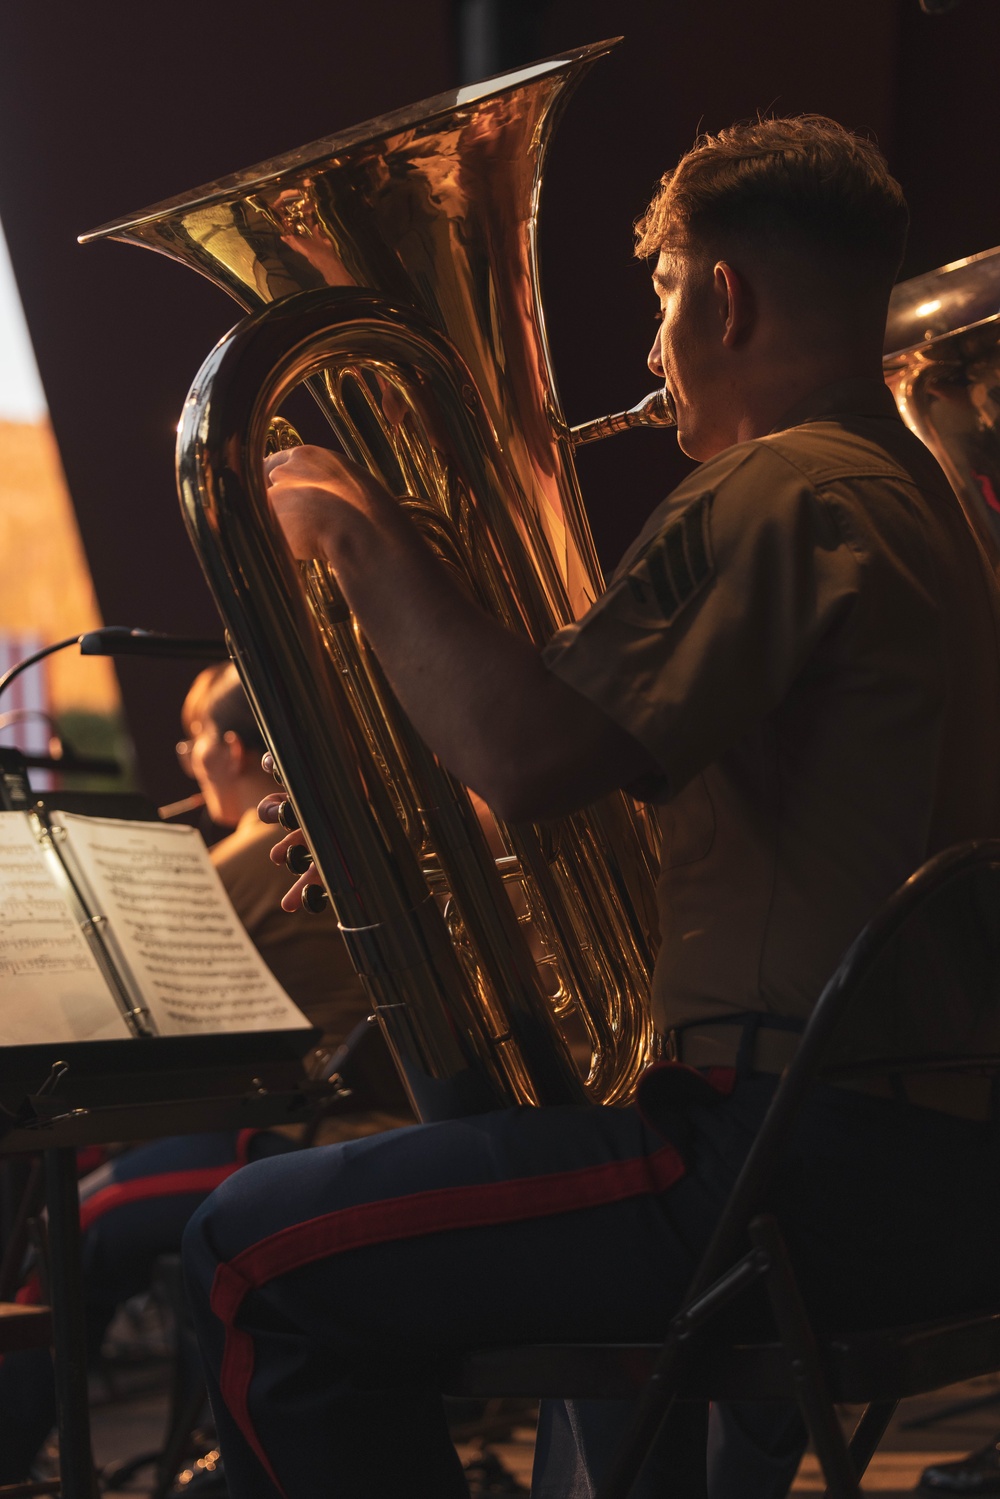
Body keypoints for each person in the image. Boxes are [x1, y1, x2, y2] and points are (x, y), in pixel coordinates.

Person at [182, 115, 1000, 1499]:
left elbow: (527, 752)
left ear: (723, 294)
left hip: (782, 1172)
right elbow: (758, 824)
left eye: (663, 299)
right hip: (930, 1167)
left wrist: (357, 529)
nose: (651, 351)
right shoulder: (913, 503)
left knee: (249, 1255)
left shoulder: (771, 490)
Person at [0, 665, 394, 1487]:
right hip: (327, 1115)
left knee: (87, 1210)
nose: (188, 757)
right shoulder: (326, 829)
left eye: (195, 737)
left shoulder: (252, 853)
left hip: (310, 1128)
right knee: (73, 1177)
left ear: (237, 747)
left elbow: (108, 1010)